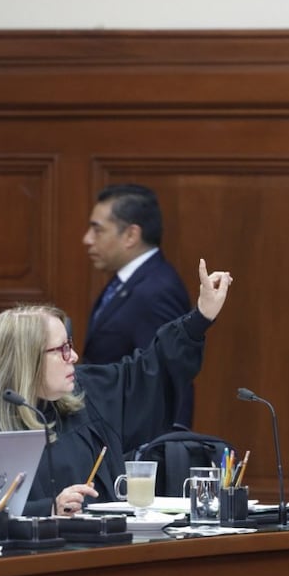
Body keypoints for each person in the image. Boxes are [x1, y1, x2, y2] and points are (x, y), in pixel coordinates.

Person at [0, 258, 231, 517]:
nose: (73, 356)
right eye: (61, 349)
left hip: (108, 545)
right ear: (27, 360)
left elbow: (148, 371)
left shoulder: (85, 394)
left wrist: (201, 317)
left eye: (70, 345)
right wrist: (49, 508)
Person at [81, 184, 193, 430]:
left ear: (131, 235)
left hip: (136, 440)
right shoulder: (127, 281)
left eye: (97, 230)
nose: (87, 239)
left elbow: (169, 374)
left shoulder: (157, 289)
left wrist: (169, 445)